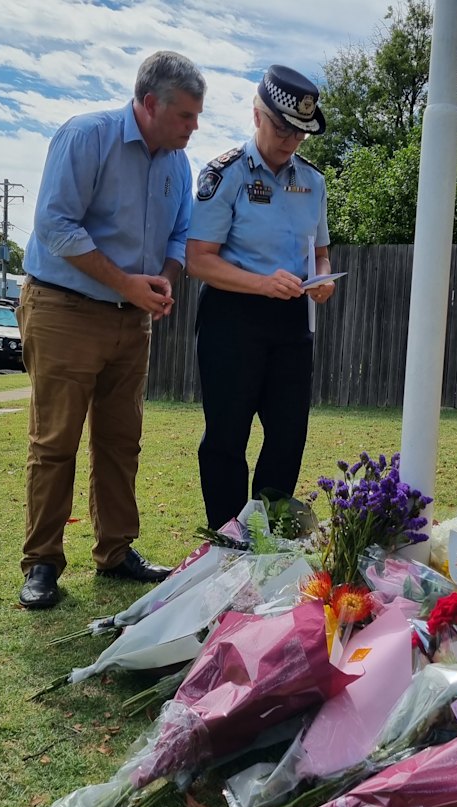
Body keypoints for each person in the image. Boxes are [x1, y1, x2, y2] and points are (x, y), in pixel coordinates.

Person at [17, 50, 206, 609]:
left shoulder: (177, 163)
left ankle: (116, 550)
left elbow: (180, 235)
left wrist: (166, 280)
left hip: (133, 320)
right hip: (65, 309)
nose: (194, 127)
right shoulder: (86, 137)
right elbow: (54, 223)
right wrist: (126, 282)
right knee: (55, 443)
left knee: (121, 442)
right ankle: (42, 562)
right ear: (149, 104)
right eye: (185, 116)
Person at [187, 64, 335, 530]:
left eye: (300, 133)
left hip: (292, 320)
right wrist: (261, 283)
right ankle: (228, 539)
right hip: (233, 318)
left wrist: (324, 280)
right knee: (227, 438)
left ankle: (269, 537)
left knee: (289, 436)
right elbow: (198, 260)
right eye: (281, 127)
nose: (290, 140)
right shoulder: (225, 174)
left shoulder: (313, 181)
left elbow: (323, 254)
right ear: (256, 115)